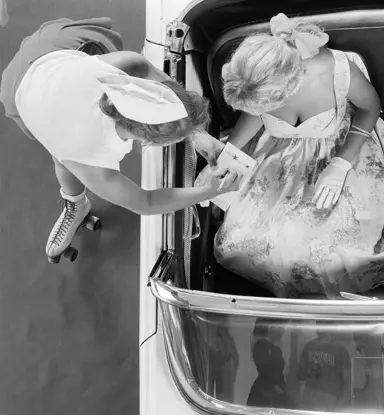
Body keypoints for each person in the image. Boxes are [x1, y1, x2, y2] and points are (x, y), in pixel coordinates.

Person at [214, 13, 384, 298]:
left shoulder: (337, 70)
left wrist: (340, 165)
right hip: (280, 153)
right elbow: (255, 115)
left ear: (289, 85)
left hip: (341, 149)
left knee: (325, 250)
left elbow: (370, 108)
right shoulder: (260, 81)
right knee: (250, 241)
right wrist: (231, 152)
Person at [0, 18, 237, 260]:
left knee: (65, 156)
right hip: (21, 92)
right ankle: (76, 205)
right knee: (62, 158)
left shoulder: (126, 69)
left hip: (51, 55)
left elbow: (170, 97)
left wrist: (200, 136)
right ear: (150, 143)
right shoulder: (95, 163)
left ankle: (74, 199)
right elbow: (146, 202)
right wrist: (207, 192)